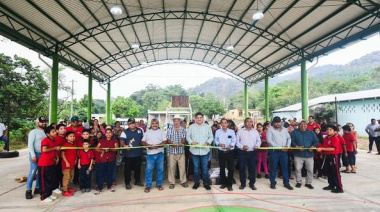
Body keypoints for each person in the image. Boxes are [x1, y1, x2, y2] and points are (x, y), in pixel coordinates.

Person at [186, 112, 213, 190]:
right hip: (195, 151)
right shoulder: (191, 127)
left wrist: (207, 142)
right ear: (195, 119)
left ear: (203, 118)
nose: (199, 119)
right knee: (196, 168)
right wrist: (191, 142)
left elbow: (211, 137)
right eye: (197, 118)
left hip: (205, 151)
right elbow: (188, 137)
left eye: (200, 117)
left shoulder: (207, 127)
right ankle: (196, 183)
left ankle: (206, 183)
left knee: (205, 168)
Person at [266, 116, 293, 190]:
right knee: (273, 167)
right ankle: (272, 182)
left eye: (279, 122)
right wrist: (280, 147)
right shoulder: (270, 130)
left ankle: (286, 183)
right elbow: (269, 140)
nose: (278, 124)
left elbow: (289, 138)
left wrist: (287, 146)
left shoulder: (284, 129)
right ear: (273, 123)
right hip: (274, 151)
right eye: (276, 122)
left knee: (285, 167)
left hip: (284, 152)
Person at [291, 121, 319, 189]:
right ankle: (298, 182)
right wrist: (296, 146)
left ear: (307, 125)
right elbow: (291, 141)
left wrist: (313, 146)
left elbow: (316, 141)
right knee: (297, 169)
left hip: (309, 155)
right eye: (301, 124)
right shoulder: (294, 132)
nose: (303, 125)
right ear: (299, 125)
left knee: (310, 170)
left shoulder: (311, 132)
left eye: (304, 124)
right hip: (298, 154)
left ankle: (308, 183)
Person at [141, 119, 167, 193]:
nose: (154, 125)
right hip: (150, 155)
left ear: (158, 124)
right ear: (151, 124)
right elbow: (142, 141)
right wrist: (147, 145)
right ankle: (148, 186)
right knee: (149, 170)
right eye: (153, 123)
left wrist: (158, 146)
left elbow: (165, 141)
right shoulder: (147, 132)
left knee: (160, 169)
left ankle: (159, 184)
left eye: (156, 123)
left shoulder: (161, 132)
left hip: (160, 154)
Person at [316, 125, 344, 193]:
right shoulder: (326, 138)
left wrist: (321, 149)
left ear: (334, 132)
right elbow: (324, 146)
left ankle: (339, 187)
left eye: (330, 130)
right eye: (327, 129)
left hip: (333, 156)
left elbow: (332, 148)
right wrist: (322, 153)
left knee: (335, 172)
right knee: (328, 171)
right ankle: (331, 185)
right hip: (326, 156)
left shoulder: (335, 138)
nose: (328, 131)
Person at [236, 118, 261, 190]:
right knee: (242, 168)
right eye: (247, 122)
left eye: (250, 122)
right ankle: (242, 183)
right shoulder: (240, 131)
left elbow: (258, 141)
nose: (249, 123)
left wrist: (257, 146)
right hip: (242, 152)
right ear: (244, 123)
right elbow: (237, 142)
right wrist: (241, 146)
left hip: (252, 152)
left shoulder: (255, 132)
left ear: (252, 123)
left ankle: (252, 183)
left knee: (252, 168)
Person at [26, 116, 47, 200]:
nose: (43, 123)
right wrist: (33, 155)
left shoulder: (46, 132)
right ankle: (28, 190)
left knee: (40, 172)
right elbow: (30, 144)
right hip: (35, 154)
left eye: (45, 121)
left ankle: (38, 188)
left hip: (43, 154)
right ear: (37, 123)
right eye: (42, 122)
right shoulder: (33, 132)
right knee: (32, 172)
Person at [37, 126, 60, 202]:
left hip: (51, 162)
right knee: (44, 181)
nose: (55, 132)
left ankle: (49, 194)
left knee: (50, 180)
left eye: (55, 131)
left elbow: (55, 150)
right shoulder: (45, 140)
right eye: (53, 132)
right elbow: (44, 150)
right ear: (47, 134)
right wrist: (55, 148)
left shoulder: (54, 140)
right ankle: (43, 197)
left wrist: (57, 157)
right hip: (44, 163)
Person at [120, 118, 144, 190]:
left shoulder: (140, 130)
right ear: (128, 124)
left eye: (133, 123)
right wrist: (124, 146)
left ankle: (137, 181)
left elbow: (143, 140)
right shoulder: (124, 132)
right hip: (129, 155)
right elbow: (122, 142)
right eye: (130, 123)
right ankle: (127, 183)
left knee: (138, 169)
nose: (132, 124)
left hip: (138, 154)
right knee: (127, 170)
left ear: (135, 123)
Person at [214, 118, 236, 191]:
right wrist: (219, 144)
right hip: (222, 152)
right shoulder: (218, 131)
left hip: (230, 152)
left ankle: (229, 184)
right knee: (222, 168)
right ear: (220, 124)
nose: (224, 124)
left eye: (225, 123)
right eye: (222, 123)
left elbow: (234, 140)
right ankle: (223, 183)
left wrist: (231, 145)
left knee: (231, 168)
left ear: (227, 124)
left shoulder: (232, 131)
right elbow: (215, 140)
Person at [167, 115, 188, 189]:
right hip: (172, 152)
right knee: (171, 168)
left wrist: (182, 143)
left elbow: (184, 139)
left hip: (181, 152)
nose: (176, 122)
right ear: (173, 122)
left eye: (177, 120)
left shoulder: (183, 129)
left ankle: (183, 181)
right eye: (175, 120)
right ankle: (172, 182)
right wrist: (171, 144)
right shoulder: (169, 129)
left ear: (180, 121)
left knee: (182, 168)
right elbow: (168, 139)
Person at [95, 128, 119, 194]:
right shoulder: (102, 140)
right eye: (107, 133)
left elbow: (116, 149)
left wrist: (110, 149)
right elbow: (96, 149)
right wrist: (102, 151)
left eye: (109, 132)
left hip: (111, 159)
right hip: (103, 159)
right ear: (105, 134)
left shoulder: (114, 140)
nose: (108, 134)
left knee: (109, 174)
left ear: (112, 133)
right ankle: (99, 188)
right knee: (101, 174)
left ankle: (109, 187)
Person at [61, 131, 77, 197]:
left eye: (73, 136)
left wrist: (75, 160)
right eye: (70, 136)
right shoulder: (65, 145)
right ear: (67, 137)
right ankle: (65, 190)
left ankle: (68, 188)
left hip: (72, 164)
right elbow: (62, 154)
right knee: (66, 177)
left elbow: (75, 153)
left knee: (71, 176)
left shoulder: (74, 144)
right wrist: (66, 162)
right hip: (66, 165)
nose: (72, 138)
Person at [52, 124, 66, 195]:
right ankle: (55, 187)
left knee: (62, 173)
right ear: (57, 131)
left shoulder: (65, 138)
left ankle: (62, 186)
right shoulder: (56, 138)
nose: (63, 130)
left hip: (64, 158)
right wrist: (56, 157)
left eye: (64, 128)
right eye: (61, 129)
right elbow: (54, 149)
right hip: (57, 158)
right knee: (56, 173)